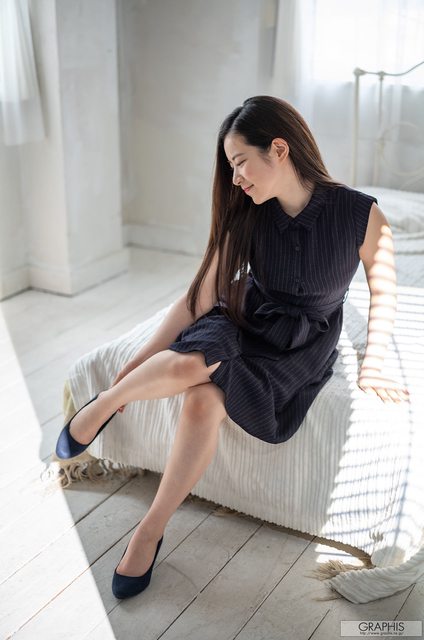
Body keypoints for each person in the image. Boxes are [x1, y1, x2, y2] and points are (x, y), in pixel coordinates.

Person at [55, 95, 409, 599]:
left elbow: (385, 290)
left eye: (240, 162)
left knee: (203, 402)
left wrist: (372, 364)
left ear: (279, 149)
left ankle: (149, 530)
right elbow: (201, 296)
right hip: (246, 314)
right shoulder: (248, 213)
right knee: (197, 363)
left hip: (300, 345)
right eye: (231, 167)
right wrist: (139, 360)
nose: (236, 178)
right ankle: (106, 403)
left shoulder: (359, 213)